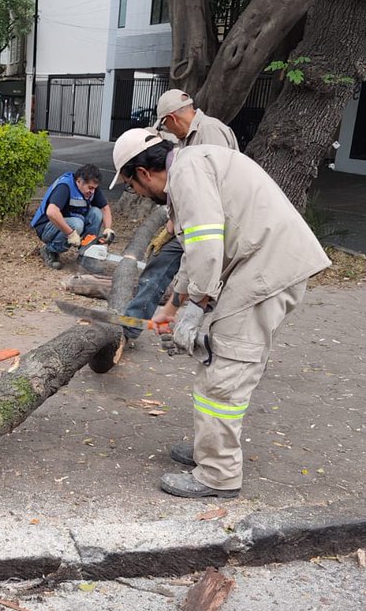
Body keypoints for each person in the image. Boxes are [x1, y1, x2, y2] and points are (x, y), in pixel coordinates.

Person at [110, 128, 330, 499]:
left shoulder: (187, 176)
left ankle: (218, 474)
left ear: (144, 174)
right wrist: (172, 308)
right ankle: (207, 452)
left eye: (132, 186)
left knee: (227, 366)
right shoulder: (191, 166)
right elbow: (195, 250)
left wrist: (196, 309)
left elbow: (209, 249)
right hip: (260, 265)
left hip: (266, 270)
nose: (137, 194)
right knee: (219, 364)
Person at [119, 94, 238, 336]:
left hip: (213, 223)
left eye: (164, 126)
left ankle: (132, 326)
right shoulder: (185, 142)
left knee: (182, 263)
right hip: (199, 219)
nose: (165, 131)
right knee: (164, 262)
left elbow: (208, 193)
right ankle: (133, 324)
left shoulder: (211, 132)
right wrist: (172, 225)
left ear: (171, 118)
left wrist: (192, 310)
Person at [31, 163, 114, 270]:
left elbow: (105, 209)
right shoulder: (65, 187)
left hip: (71, 222)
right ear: (79, 181)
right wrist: (71, 233)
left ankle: (86, 254)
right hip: (46, 228)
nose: (92, 191)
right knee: (77, 224)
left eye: (94, 188)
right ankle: (51, 250)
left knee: (96, 213)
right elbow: (51, 212)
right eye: (90, 188)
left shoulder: (91, 189)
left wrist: (108, 229)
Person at [155, 89, 239, 150]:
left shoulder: (209, 129)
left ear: (172, 118)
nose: (167, 129)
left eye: (164, 124)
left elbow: (217, 170)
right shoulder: (187, 135)